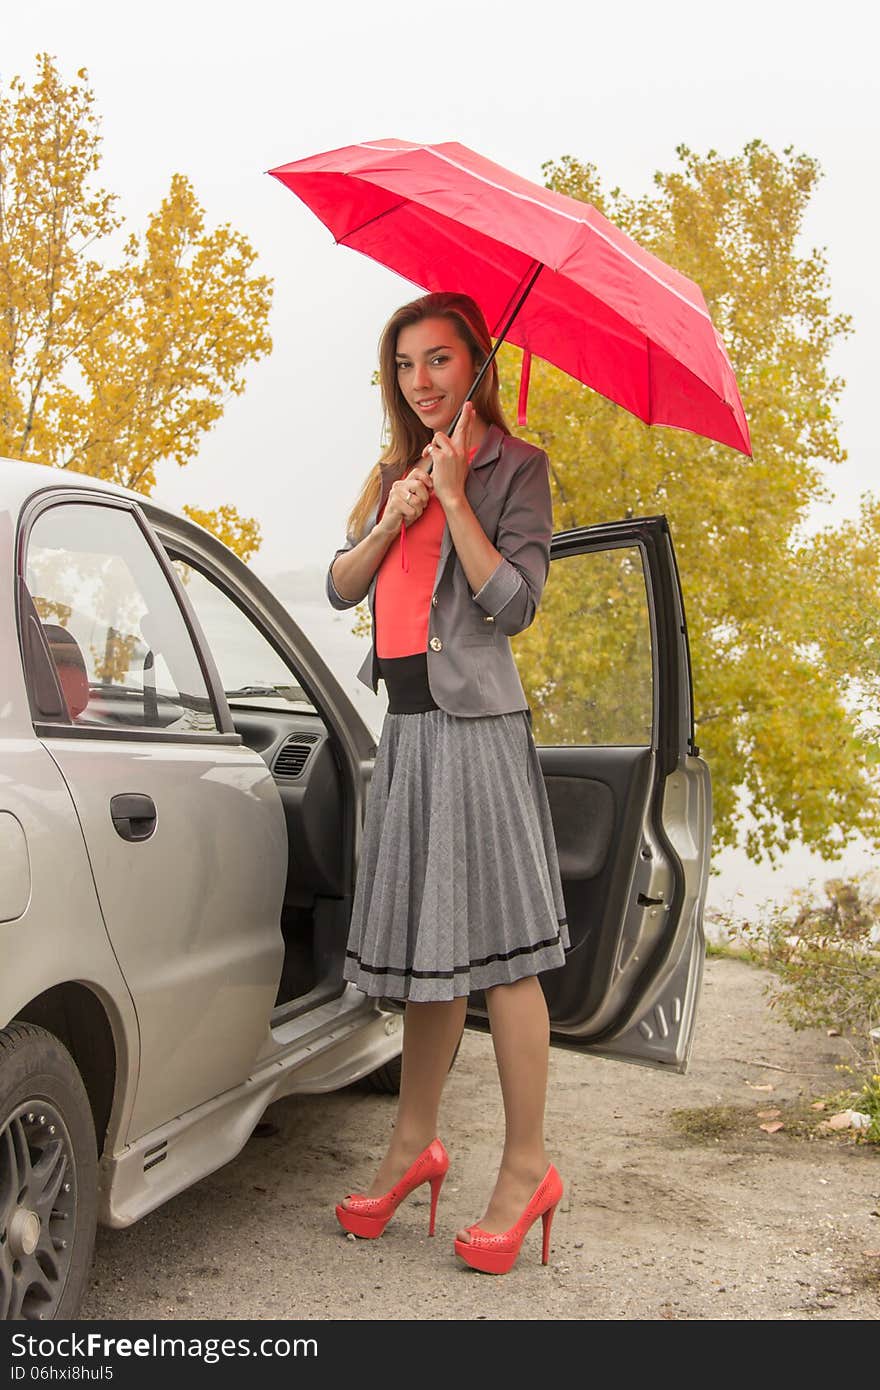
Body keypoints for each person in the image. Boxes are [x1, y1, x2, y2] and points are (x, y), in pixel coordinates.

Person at [325, 291, 568, 1276]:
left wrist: (460, 498)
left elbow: (513, 606)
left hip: (478, 732)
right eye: (405, 365)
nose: (421, 381)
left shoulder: (518, 469)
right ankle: (410, 1150)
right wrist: (398, 515)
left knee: (505, 959)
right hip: (412, 732)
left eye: (438, 361)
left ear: (477, 364)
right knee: (430, 959)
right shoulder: (392, 473)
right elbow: (344, 585)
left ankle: (525, 1171)